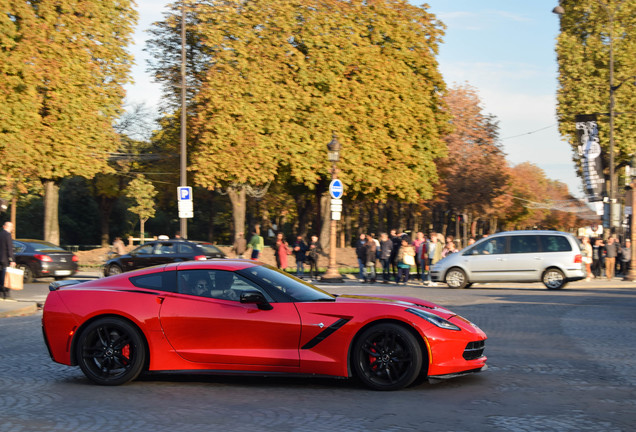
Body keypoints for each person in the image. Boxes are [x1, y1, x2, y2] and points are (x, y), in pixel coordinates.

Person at [0, 221, 16, 300]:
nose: (12, 229)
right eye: (11, 227)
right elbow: (9, 248)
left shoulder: (0, 234)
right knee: (5, 277)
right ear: (7, 227)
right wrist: (12, 260)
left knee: (0, 276)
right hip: (5, 259)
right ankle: (6, 294)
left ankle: (0, 294)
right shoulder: (7, 235)